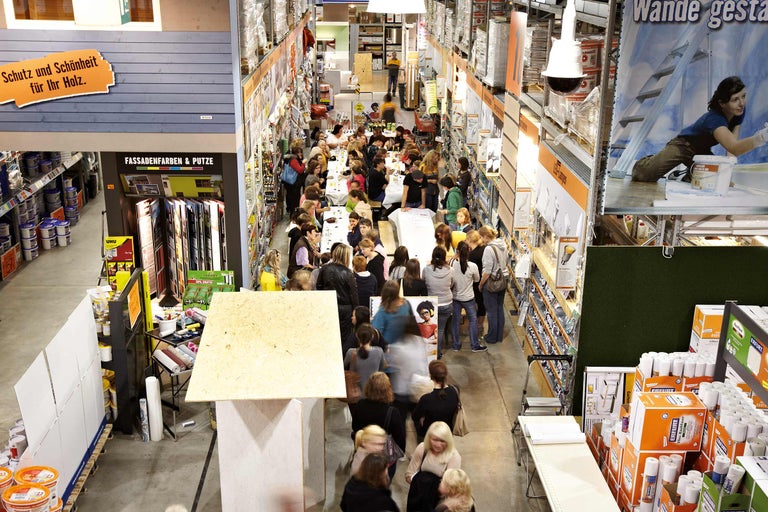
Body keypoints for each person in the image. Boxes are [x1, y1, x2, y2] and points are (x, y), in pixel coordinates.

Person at [632, 76, 768, 182]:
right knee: (644, 175)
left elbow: (732, 149)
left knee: (717, 179)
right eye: (735, 99)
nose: (742, 103)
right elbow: (734, 147)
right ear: (722, 103)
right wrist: (761, 137)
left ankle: (689, 174)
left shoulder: (738, 111)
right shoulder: (714, 119)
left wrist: (727, 175)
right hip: (683, 145)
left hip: (701, 151)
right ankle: (646, 163)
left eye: (743, 96)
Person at [351, 372, 406, 479]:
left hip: (364, 452)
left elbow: (355, 428)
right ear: (388, 389)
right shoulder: (392, 412)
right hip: (384, 459)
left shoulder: (360, 405)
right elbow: (400, 442)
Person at [405, 422, 461, 512]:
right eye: (434, 439)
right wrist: (421, 485)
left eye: (442, 441)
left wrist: (428, 486)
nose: (438, 444)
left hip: (437, 501)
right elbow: (408, 475)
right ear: (429, 438)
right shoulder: (422, 448)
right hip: (418, 497)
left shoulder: (454, 457)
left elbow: (451, 487)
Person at [388, 314, 429, 432]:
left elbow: (393, 365)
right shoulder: (420, 341)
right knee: (419, 425)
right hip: (419, 389)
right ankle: (422, 448)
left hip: (401, 391)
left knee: (400, 426)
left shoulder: (398, 347)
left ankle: (400, 449)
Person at [316, 244, 359, 343]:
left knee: (329, 335)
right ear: (345, 256)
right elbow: (354, 295)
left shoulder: (324, 269)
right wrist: (356, 311)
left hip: (328, 306)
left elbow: (319, 287)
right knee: (343, 337)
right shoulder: (348, 273)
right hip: (345, 311)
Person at [412, 360, 460, 441]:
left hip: (430, 433)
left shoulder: (426, 399)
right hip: (447, 432)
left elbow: (415, 417)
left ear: (430, 376)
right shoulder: (455, 390)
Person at [451, 241, 484, 352]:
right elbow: (477, 279)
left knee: (455, 321)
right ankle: (474, 345)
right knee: (473, 320)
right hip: (469, 298)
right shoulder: (473, 266)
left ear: (458, 251)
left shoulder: (452, 263)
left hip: (455, 297)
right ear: (469, 251)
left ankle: (456, 345)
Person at [478, 225, 509, 344]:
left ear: (486, 236)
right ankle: (498, 336)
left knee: (491, 310)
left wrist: (481, 284)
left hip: (492, 282)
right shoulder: (503, 245)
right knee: (499, 308)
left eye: (482, 237)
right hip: (504, 279)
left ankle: (491, 337)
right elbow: (505, 261)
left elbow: (487, 271)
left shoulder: (488, 249)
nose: (481, 240)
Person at [423, 246, 455, 359]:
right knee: (440, 329)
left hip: (432, 304)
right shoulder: (450, 270)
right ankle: (438, 352)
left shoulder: (426, 270)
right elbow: (452, 284)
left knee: (431, 329)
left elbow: (424, 283)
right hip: (446, 303)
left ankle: (431, 353)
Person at [344, 323, 387, 392]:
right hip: (373, 392)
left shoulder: (351, 352)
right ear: (372, 336)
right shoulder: (379, 351)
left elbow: (344, 366)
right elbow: (381, 369)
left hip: (355, 393)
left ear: (357, 336)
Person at [372, 280, 412, 345]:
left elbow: (376, 333)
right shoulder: (406, 304)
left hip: (388, 348)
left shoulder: (383, 310)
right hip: (405, 346)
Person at [465, 230, 486, 338]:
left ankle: (476, 326)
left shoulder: (473, 255)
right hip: (484, 282)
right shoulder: (484, 249)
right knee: (482, 304)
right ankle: (480, 324)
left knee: (476, 303)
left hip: (476, 283)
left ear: (469, 240)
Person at [283, 142, 305, 215]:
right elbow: (300, 170)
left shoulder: (290, 158)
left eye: (301, 152)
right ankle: (294, 214)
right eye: (299, 153)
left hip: (290, 183)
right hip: (293, 183)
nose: (300, 154)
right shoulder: (293, 160)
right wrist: (303, 163)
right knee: (294, 199)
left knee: (291, 197)